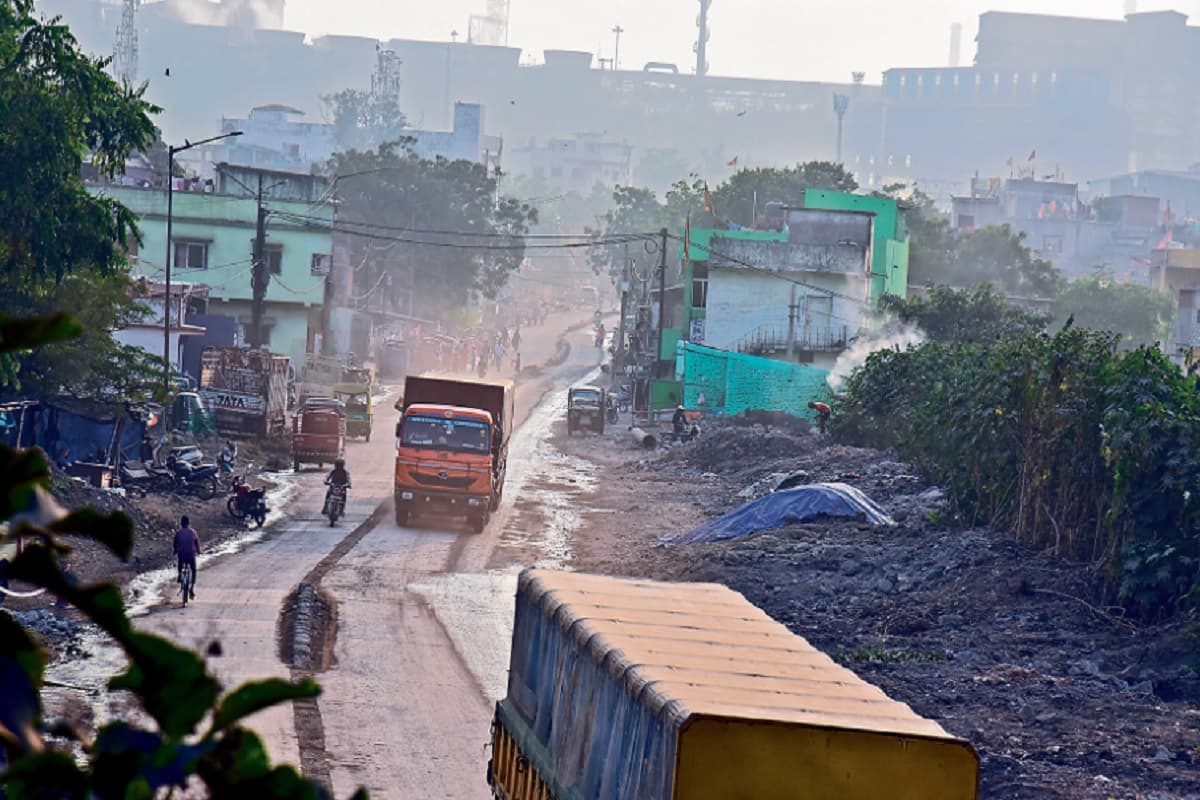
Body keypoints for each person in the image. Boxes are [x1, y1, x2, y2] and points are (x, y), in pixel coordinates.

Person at [173, 516, 201, 599]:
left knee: (180, 563)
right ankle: (192, 588)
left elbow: (175, 542)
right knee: (194, 570)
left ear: (181, 523)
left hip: (181, 553)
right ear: (189, 523)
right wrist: (198, 551)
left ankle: (179, 575)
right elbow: (196, 542)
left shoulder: (178, 532)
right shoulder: (193, 532)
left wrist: (175, 550)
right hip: (191, 554)